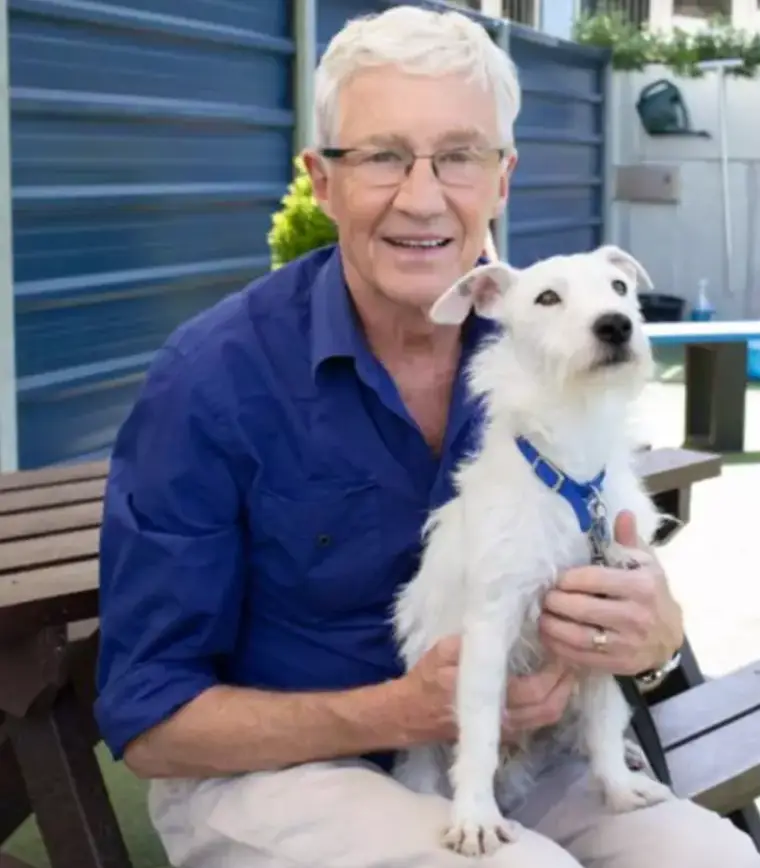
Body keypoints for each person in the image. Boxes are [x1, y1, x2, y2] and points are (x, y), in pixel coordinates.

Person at [95, 6, 760, 867]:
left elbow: (622, 576)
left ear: (502, 178)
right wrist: (399, 711)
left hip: (521, 754)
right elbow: (149, 719)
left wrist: (656, 632)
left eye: (459, 155)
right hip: (277, 772)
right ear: (322, 180)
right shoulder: (212, 379)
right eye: (380, 156)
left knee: (715, 860)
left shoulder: (540, 342)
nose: (422, 196)